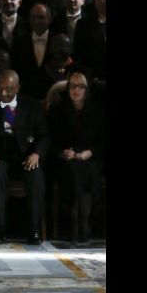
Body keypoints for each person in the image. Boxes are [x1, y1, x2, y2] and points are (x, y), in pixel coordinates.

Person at [0, 70, 49, 245]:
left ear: (17, 88)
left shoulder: (32, 106)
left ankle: (33, 229)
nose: (3, 93)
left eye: (9, 89)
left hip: (26, 155)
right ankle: (0, 228)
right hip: (1, 155)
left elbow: (45, 135)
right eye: (0, 89)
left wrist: (36, 154)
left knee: (35, 176)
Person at [48, 70, 104, 244]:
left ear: (87, 89)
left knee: (87, 169)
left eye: (81, 86)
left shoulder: (98, 110)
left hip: (91, 156)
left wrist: (88, 153)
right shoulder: (58, 110)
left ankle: (82, 219)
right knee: (73, 169)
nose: (76, 90)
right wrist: (63, 152)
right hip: (66, 159)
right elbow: (51, 139)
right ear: (68, 87)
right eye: (73, 85)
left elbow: (103, 140)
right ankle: (77, 221)